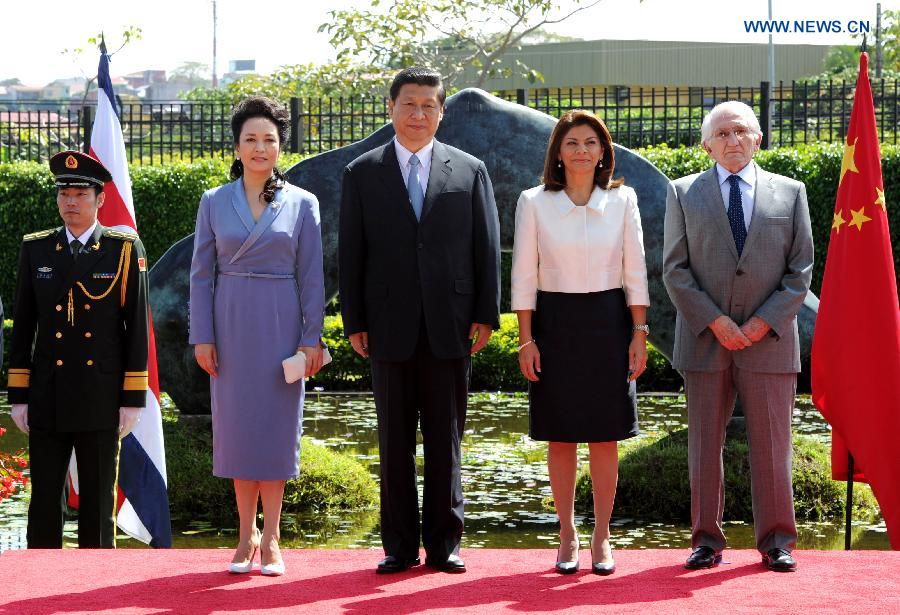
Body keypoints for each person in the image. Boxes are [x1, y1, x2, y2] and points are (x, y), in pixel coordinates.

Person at [339, 67, 501, 574]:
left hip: (450, 323)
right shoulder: (362, 172)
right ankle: (399, 546)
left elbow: (486, 247)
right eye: (409, 104)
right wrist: (353, 321)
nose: (418, 114)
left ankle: (445, 543)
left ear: (441, 112)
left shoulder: (469, 169)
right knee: (393, 442)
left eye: (429, 105)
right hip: (387, 325)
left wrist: (485, 314)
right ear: (391, 108)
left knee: (445, 439)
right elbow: (352, 254)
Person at [662, 101, 813, 572]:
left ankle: (776, 542)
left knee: (772, 445)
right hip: (707, 341)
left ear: (758, 138)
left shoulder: (790, 193)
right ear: (707, 145)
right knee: (705, 447)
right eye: (722, 134)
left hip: (769, 341)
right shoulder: (683, 192)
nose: (733, 140)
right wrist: (716, 321)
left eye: (741, 131)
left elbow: (800, 270)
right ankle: (706, 540)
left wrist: (762, 321)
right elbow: (675, 269)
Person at [189, 96, 325, 576]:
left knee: (275, 432)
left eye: (269, 139)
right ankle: (244, 535)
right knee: (238, 432)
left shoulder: (303, 203)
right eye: (251, 139)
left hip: (281, 324)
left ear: (280, 146)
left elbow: (312, 278)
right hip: (229, 325)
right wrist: (202, 336)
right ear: (237, 145)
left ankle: (272, 538)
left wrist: (312, 341)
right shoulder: (213, 201)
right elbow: (201, 275)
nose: (260, 147)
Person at [511, 110, 649, 575]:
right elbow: (523, 275)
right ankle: (567, 532)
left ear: (604, 151)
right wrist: (526, 339)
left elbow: (636, 270)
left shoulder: (624, 199)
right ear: (558, 151)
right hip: (554, 323)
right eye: (572, 143)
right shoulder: (533, 201)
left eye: (591, 142)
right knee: (562, 434)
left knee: (606, 434)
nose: (582, 151)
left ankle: (602, 535)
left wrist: (639, 333)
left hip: (609, 322)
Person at [7, 150, 149, 548]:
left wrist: (133, 398)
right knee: (44, 503)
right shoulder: (36, 250)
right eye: (64, 194)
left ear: (100, 199)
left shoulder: (123, 249)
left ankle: (97, 587)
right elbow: (24, 328)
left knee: (98, 503)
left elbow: (136, 327)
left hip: (100, 394)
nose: (71, 202)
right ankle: (38, 584)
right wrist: (19, 395)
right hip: (48, 392)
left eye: (80, 194)